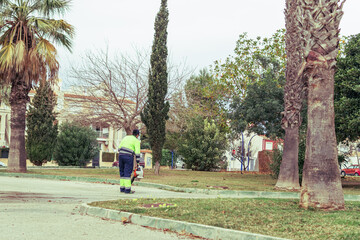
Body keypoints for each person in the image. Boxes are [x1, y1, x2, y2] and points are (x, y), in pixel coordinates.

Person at [118, 129, 140, 194]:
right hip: (128, 156)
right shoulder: (136, 141)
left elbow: (119, 148)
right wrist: (138, 162)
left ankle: (122, 188)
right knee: (127, 173)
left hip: (121, 155)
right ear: (137, 135)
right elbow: (137, 153)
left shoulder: (126, 137)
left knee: (122, 172)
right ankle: (127, 190)